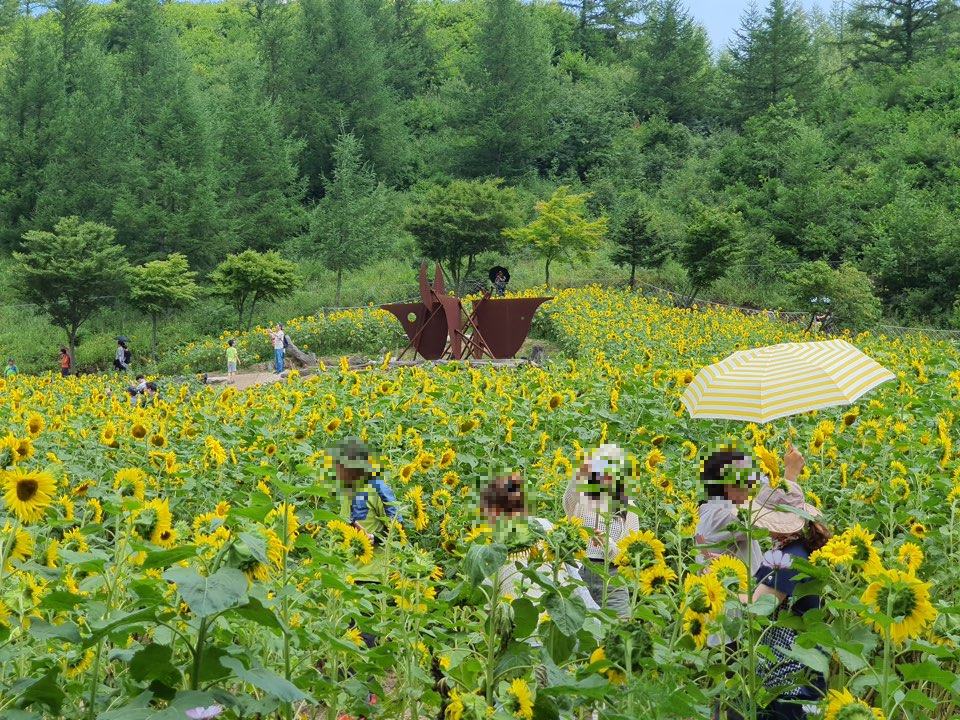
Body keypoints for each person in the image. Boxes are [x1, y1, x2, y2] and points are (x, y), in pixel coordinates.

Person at [738, 446, 830, 720]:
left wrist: (717, 593)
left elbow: (759, 606)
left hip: (789, 674)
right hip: (793, 668)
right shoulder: (797, 549)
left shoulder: (789, 559)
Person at [482, 472, 598, 611]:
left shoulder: (545, 527)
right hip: (526, 616)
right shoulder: (489, 546)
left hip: (554, 611)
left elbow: (571, 562)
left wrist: (582, 538)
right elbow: (486, 598)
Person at [696, 445, 806, 575]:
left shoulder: (711, 512)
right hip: (739, 593)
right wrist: (791, 473)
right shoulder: (720, 515)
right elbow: (779, 525)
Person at [563, 444, 638, 618]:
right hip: (581, 569)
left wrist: (609, 545)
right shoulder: (582, 497)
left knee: (619, 626)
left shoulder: (630, 508)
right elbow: (567, 503)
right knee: (582, 628)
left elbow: (630, 555)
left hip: (613, 575)